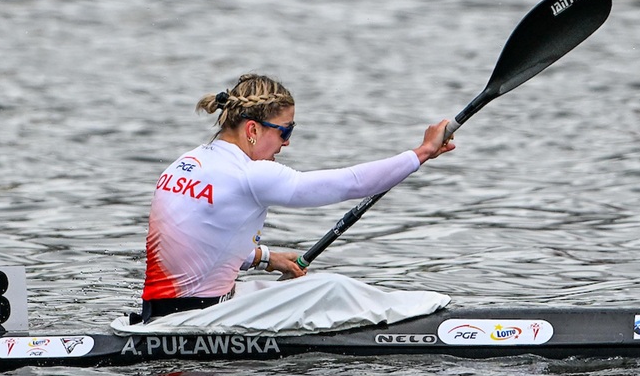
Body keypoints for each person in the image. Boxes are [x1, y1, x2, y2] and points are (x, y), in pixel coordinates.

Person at [140, 74, 454, 319]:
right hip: (200, 317)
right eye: (284, 132)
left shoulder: (186, 163)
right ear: (252, 129)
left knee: (301, 289)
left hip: (160, 312)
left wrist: (266, 259)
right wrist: (422, 152)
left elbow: (202, 237)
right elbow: (350, 183)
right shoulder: (251, 174)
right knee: (334, 288)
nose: (286, 143)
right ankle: (430, 323)